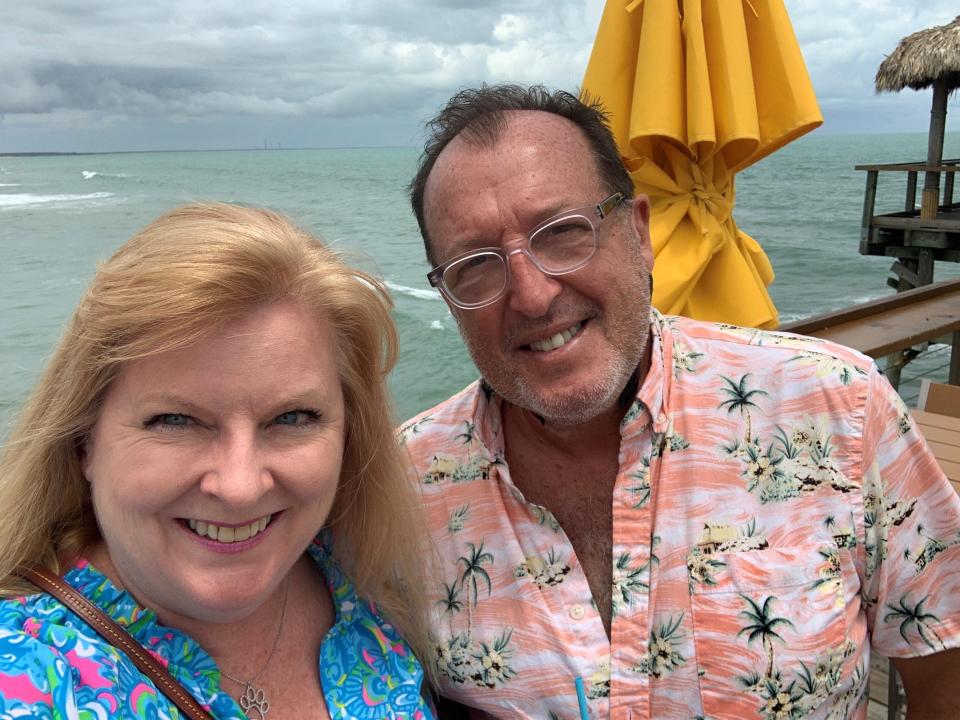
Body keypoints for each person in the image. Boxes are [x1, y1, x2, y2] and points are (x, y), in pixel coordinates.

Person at [401, 84, 960, 719]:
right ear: (448, 297)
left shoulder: (839, 409)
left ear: (639, 236)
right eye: (475, 264)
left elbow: (945, 661)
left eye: (562, 233)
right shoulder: (402, 487)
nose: (530, 295)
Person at [0, 202, 435, 719]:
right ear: (84, 441)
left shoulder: (349, 569)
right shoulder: (28, 677)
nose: (240, 486)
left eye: (293, 417)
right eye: (175, 421)